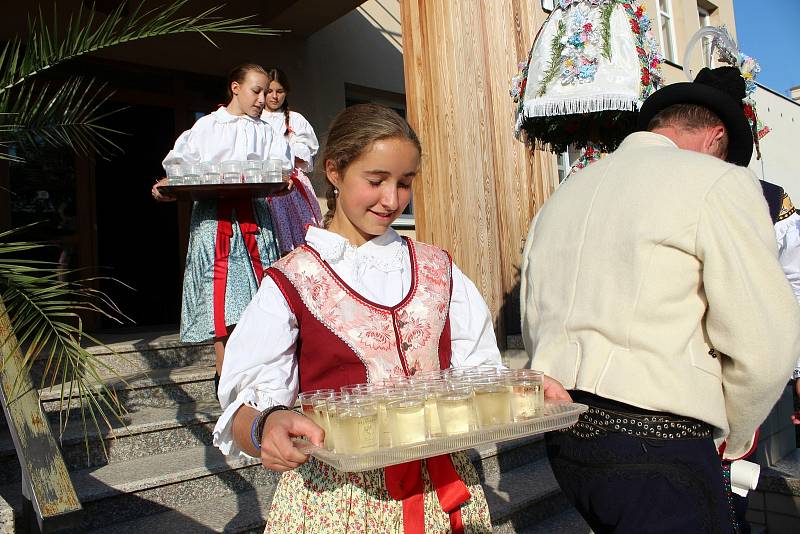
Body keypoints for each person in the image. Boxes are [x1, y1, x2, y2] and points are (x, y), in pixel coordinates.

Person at [213, 103, 570, 532]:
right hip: (338, 504)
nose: (392, 200)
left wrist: (523, 386)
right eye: (376, 180)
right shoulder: (293, 278)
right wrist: (265, 424)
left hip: (442, 491)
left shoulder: (438, 268)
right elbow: (242, 401)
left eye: (405, 183)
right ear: (334, 171)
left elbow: (478, 372)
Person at [520, 66, 800, 533]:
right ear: (715, 139)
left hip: (566, 443)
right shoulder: (718, 181)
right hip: (659, 443)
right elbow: (764, 341)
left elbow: (534, 318)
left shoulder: (562, 194)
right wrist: (735, 436)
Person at [151, 63, 284, 388]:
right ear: (235, 87)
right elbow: (180, 164)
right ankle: (223, 368)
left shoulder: (267, 130)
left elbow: (279, 167)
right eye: (256, 90)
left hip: (254, 217)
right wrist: (170, 183)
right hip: (214, 219)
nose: (261, 98)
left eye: (265, 92)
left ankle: (254, 366)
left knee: (257, 290)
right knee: (219, 290)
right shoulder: (206, 127)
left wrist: (284, 181)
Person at [260, 67, 323, 255]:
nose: (274, 96)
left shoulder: (295, 119)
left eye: (279, 91)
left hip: (292, 184)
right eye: (269, 91)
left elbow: (307, 150)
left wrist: (285, 154)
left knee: (300, 234)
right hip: (264, 183)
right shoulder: (254, 120)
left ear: (286, 92)